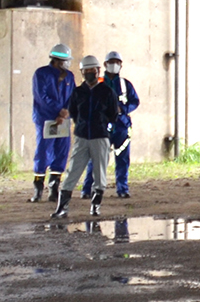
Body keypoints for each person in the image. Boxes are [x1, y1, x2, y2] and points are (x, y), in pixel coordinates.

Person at [56, 55, 121, 218]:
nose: (90, 73)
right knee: (72, 172)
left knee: (100, 174)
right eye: (87, 70)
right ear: (82, 72)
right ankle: (62, 208)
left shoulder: (107, 92)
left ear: (98, 71)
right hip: (82, 137)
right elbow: (74, 113)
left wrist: (104, 127)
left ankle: (95, 206)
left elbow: (113, 115)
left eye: (93, 70)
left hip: (100, 137)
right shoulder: (78, 92)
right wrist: (82, 126)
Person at [81, 51, 138, 199]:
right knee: (95, 159)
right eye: (111, 62)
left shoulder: (125, 85)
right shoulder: (96, 82)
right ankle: (87, 190)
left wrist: (123, 109)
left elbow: (134, 102)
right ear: (105, 65)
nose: (115, 65)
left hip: (121, 127)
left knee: (123, 159)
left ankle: (122, 189)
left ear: (121, 65)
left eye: (117, 62)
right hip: (100, 127)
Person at [29, 43, 76, 203]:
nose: (68, 63)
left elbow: (72, 96)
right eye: (66, 60)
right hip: (46, 120)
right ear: (57, 60)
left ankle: (54, 188)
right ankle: (38, 189)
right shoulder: (41, 74)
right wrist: (58, 111)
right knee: (43, 152)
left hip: (63, 121)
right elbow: (41, 97)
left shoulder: (69, 76)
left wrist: (66, 112)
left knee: (61, 152)